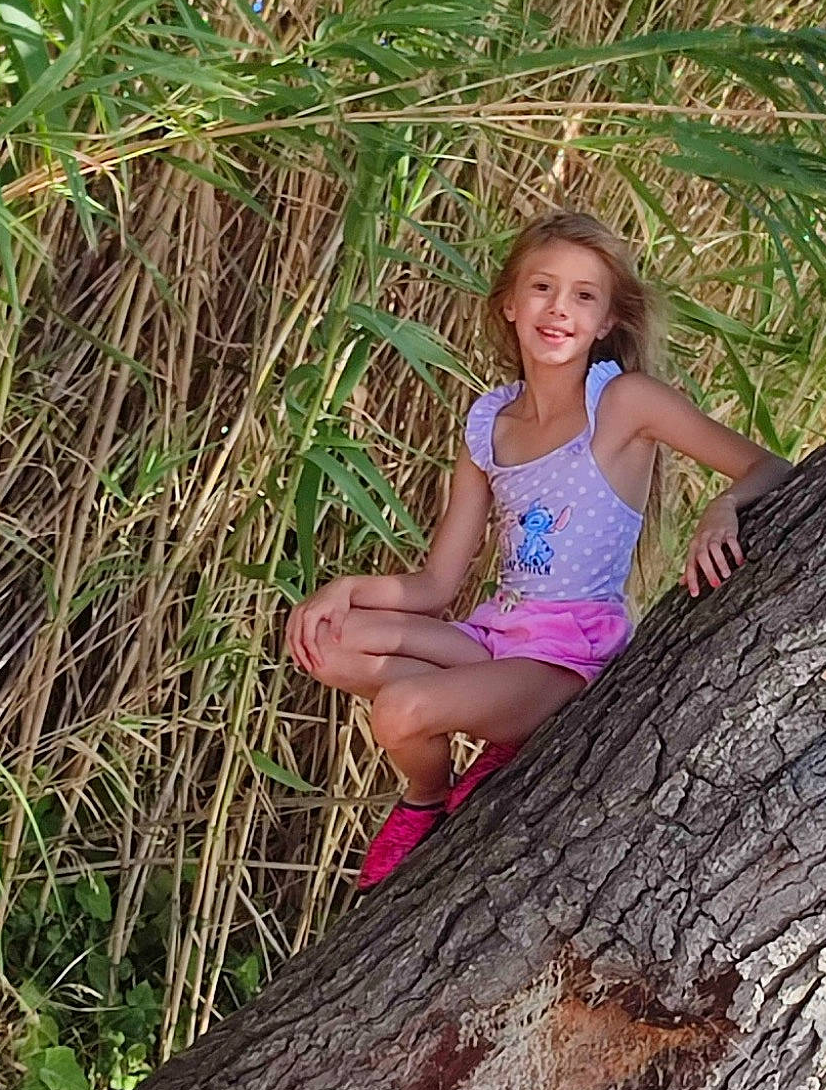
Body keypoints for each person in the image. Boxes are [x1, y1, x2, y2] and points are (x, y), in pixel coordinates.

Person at [285, 210, 795, 888]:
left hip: (569, 654)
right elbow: (436, 585)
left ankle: (425, 800)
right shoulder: (489, 421)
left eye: (584, 296)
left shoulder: (624, 402)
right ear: (508, 302)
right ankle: (487, 725)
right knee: (332, 640)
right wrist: (342, 590)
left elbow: (768, 468)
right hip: (498, 633)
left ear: (608, 320)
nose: (559, 310)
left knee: (399, 710)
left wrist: (721, 507)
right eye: (542, 288)